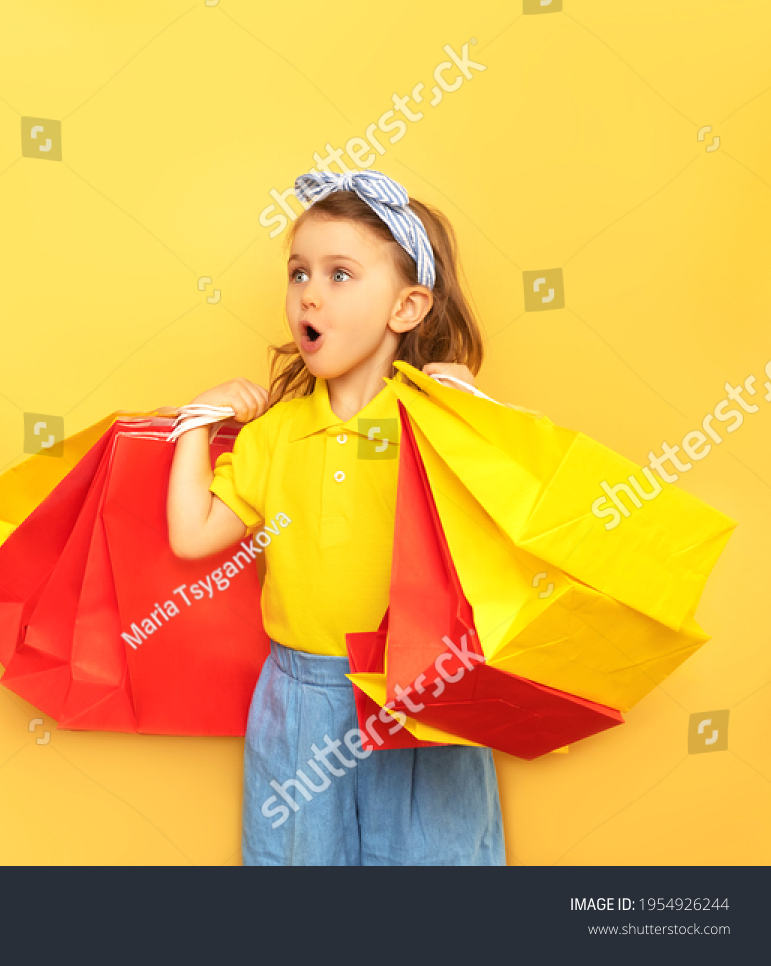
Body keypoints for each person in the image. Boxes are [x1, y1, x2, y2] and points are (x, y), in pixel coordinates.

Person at [165, 170, 505, 866]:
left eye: (340, 274)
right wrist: (195, 426)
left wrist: (474, 416)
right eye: (298, 273)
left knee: (436, 863)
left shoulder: (433, 420)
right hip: (302, 702)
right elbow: (191, 534)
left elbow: (505, 523)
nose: (308, 294)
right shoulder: (272, 435)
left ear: (406, 308)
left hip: (423, 687)